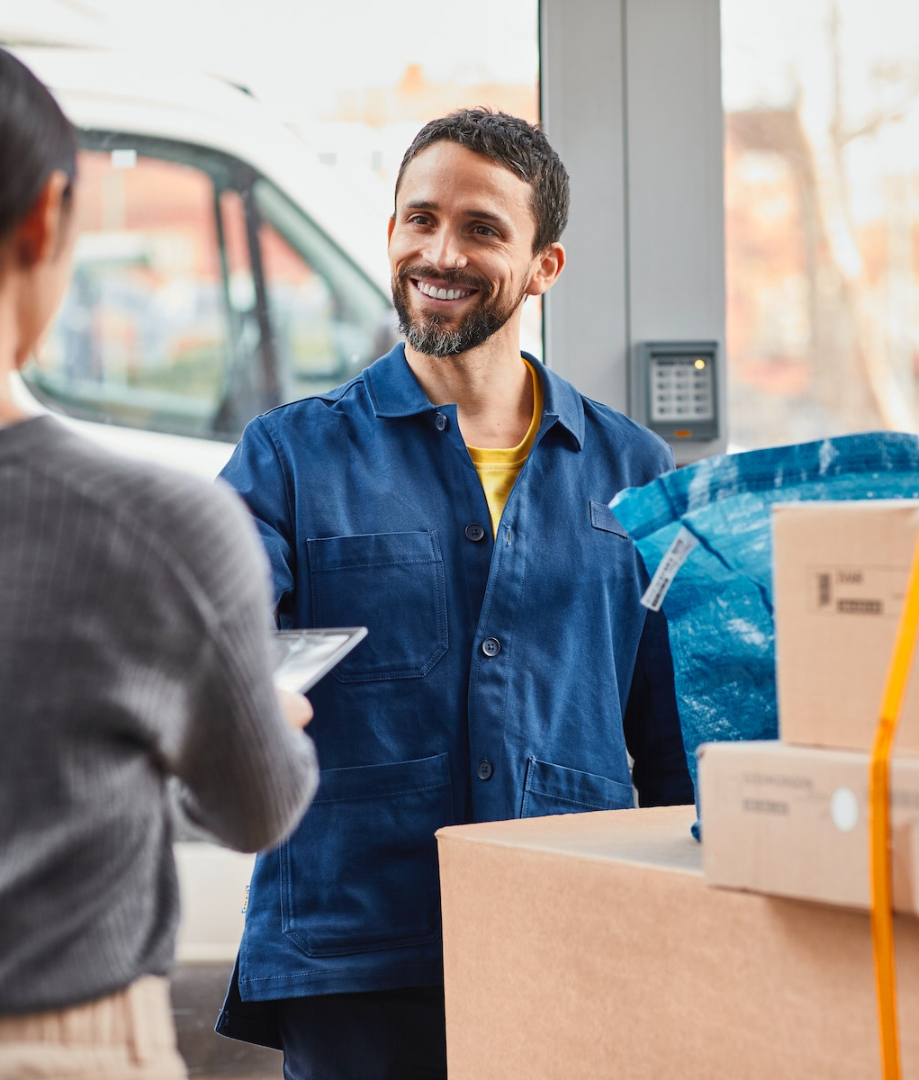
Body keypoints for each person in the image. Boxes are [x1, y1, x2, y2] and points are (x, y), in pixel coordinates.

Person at [215, 107, 694, 1078]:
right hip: (356, 945)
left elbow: (671, 729)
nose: (441, 251)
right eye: (419, 219)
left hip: (571, 928)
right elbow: (213, 652)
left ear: (543, 266)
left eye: (482, 228)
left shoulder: (634, 470)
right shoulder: (289, 457)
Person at [0, 47, 319, 1080]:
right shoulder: (163, 531)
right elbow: (256, 806)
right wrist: (272, 721)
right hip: (62, 1041)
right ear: (48, 218)